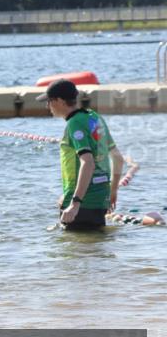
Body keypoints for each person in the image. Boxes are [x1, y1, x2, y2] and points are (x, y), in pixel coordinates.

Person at [38, 79, 124, 230]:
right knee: (95, 243)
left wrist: (75, 202)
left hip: (82, 204)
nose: (47, 106)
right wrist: (113, 192)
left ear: (60, 101)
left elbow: (88, 162)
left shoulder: (74, 123)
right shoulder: (95, 117)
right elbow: (118, 158)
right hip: (100, 199)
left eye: (49, 101)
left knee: (73, 244)